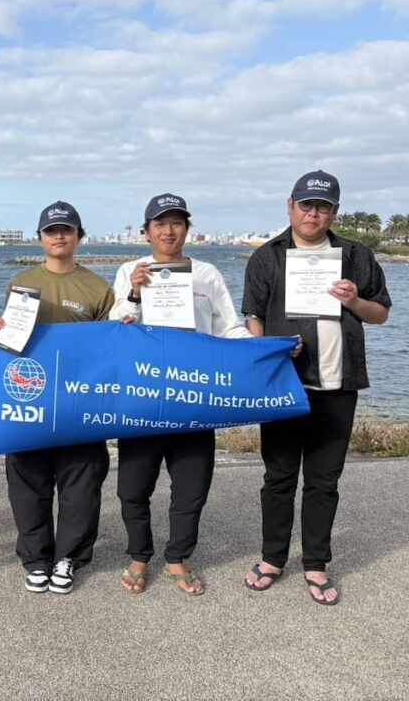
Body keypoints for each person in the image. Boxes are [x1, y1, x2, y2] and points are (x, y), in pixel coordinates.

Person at [241, 170, 391, 605]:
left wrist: (354, 301)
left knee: (324, 481)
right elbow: (252, 315)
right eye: (306, 204)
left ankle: (316, 564)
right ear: (290, 206)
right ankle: (272, 558)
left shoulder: (356, 255)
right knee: (279, 477)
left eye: (323, 206)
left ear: (334, 212)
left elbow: (380, 314)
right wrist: (268, 349)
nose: (313, 213)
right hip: (286, 385)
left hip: (339, 385)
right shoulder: (267, 256)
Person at [109, 194, 253, 595]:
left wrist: (262, 351)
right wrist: (135, 294)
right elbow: (115, 330)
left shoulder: (206, 274)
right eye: (160, 224)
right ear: (146, 231)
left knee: (191, 487)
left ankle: (177, 558)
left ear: (187, 230)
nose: (168, 231)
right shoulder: (127, 271)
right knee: (132, 488)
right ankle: (139, 555)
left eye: (176, 223)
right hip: (144, 396)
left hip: (195, 399)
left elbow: (230, 327)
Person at [0, 201, 114, 595]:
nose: (59, 236)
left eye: (67, 229)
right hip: (30, 398)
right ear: (40, 237)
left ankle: (68, 557)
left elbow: (108, 348)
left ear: (79, 236)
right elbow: (13, 344)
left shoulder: (97, 287)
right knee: (28, 482)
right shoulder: (21, 281)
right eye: (51, 230)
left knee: (81, 484)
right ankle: (36, 557)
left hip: (80, 402)